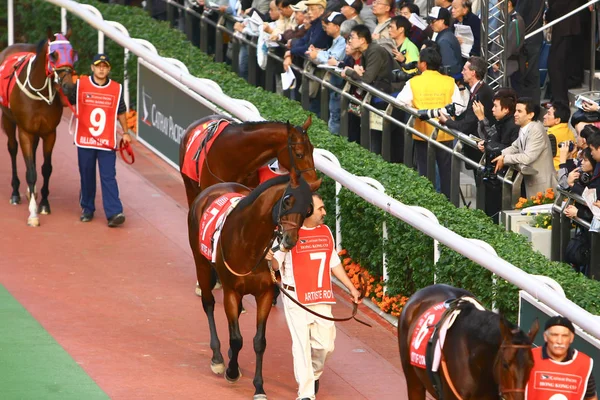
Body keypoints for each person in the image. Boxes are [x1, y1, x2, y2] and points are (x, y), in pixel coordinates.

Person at [266, 193, 361, 400]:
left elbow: (333, 262)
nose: (324, 212)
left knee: (325, 346)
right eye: (321, 209)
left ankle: (314, 374)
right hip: (295, 298)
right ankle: (306, 394)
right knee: (301, 345)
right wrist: (280, 248)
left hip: (321, 296)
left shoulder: (326, 231)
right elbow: (274, 266)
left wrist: (351, 288)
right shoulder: (289, 233)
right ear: (307, 210)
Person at [396, 46, 465, 200]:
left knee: (425, 175)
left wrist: (414, 108)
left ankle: (426, 206)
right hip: (445, 133)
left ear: (424, 64)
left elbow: (399, 102)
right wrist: (442, 113)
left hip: (422, 133)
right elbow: (459, 107)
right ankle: (448, 206)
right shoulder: (449, 81)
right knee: (446, 174)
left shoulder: (414, 82)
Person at [72, 53, 132, 227]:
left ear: (109, 69)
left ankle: (114, 212)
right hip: (85, 140)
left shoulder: (116, 88)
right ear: (92, 68)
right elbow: (67, 99)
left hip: (106, 141)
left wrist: (126, 132)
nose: (101, 69)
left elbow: (121, 111)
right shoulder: (81, 85)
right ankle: (87, 209)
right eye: (98, 66)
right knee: (87, 175)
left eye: (105, 66)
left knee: (108, 176)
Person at [492, 97, 556, 198]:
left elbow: (527, 157)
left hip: (542, 186)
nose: (515, 114)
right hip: (531, 182)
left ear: (531, 115)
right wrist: (501, 154)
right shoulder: (524, 128)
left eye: (519, 111)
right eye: (516, 111)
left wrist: (505, 159)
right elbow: (515, 147)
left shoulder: (536, 130)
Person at [473, 88, 520, 222]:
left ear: (506, 109)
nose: (492, 109)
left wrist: (482, 119)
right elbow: (492, 140)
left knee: (496, 216)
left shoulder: (513, 126)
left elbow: (507, 147)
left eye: (495, 106)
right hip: (495, 177)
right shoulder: (502, 123)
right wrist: (486, 144)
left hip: (504, 179)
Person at [526, 316, 597, 399]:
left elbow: (591, 397)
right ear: (545, 337)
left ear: (571, 338)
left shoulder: (584, 364)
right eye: (554, 335)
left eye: (564, 336)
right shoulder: (528, 358)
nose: (559, 341)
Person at [427, 6, 462, 78]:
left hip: (449, 81)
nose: (431, 24)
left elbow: (449, 68)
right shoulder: (446, 35)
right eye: (429, 21)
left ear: (442, 21)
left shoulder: (444, 41)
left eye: (433, 21)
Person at [542, 101, 575, 171]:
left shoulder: (551, 135)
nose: (544, 116)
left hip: (555, 172)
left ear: (557, 120)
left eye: (548, 114)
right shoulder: (569, 131)